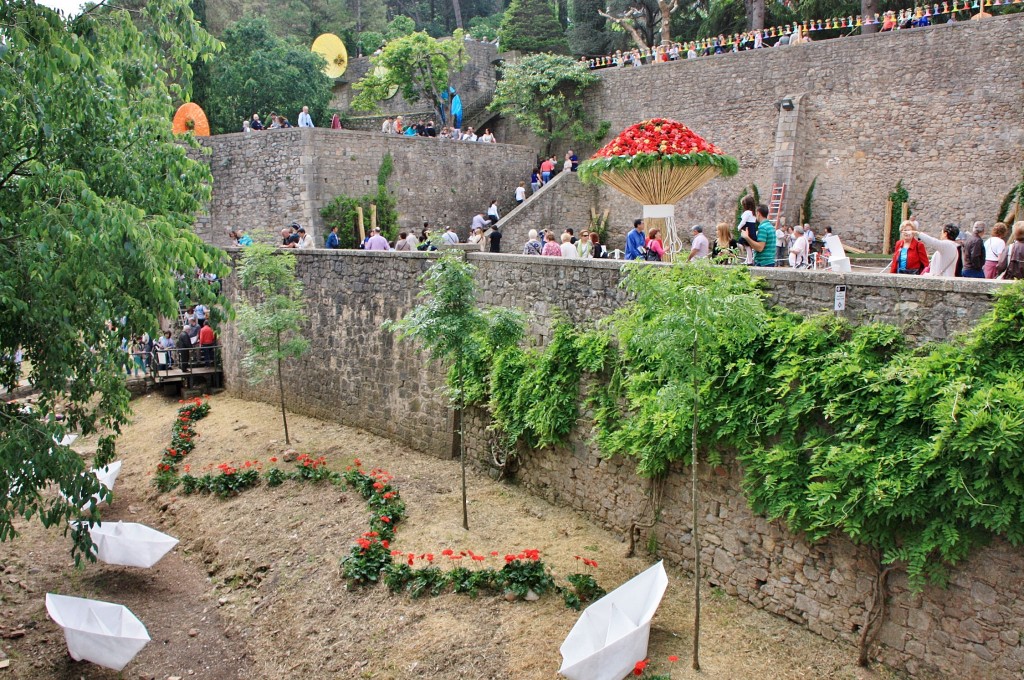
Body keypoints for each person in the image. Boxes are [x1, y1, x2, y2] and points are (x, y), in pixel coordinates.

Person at [737, 195, 758, 264]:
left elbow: (743, 222)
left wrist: (739, 227)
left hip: (747, 231)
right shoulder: (753, 213)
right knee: (748, 246)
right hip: (752, 230)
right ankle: (748, 260)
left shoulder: (747, 213)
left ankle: (749, 261)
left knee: (746, 246)